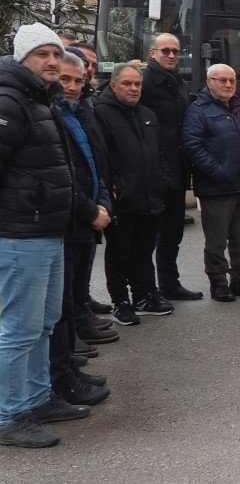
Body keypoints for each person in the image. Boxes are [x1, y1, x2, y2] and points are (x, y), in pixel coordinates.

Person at [0, 25, 96, 449]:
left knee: (43, 324)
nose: (53, 62)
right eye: (42, 54)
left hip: (48, 230)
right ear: (23, 57)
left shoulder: (43, 99)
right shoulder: (10, 99)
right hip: (21, 233)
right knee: (19, 329)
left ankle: (36, 399)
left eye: (56, 54)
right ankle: (9, 415)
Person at [49, 50, 113, 409]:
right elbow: (61, 173)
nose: (73, 87)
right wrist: (90, 209)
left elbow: (92, 160)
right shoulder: (52, 113)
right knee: (59, 303)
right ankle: (62, 375)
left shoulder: (75, 112)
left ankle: (69, 365)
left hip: (88, 212)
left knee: (73, 292)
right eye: (66, 80)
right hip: (70, 218)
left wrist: (101, 198)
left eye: (78, 80)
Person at [95, 63, 175, 324]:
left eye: (137, 84)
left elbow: (160, 152)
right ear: (113, 85)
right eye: (127, 83)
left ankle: (143, 296)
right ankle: (120, 301)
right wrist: (115, 188)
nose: (133, 88)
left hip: (151, 195)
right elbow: (103, 158)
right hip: (123, 199)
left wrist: (164, 180)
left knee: (143, 251)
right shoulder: (101, 114)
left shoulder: (148, 114)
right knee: (119, 253)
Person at [181, 64, 240, 302]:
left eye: (232, 81)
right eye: (222, 80)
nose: (228, 85)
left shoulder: (239, 107)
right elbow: (193, 146)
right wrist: (219, 172)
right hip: (216, 188)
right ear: (209, 82)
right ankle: (218, 283)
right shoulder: (198, 110)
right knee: (216, 241)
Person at [139, 33, 202, 301]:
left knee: (172, 233)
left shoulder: (178, 82)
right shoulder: (143, 82)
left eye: (175, 51)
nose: (172, 55)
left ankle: (169, 284)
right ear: (152, 53)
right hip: (151, 169)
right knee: (146, 237)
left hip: (177, 168)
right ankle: (145, 289)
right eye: (165, 50)